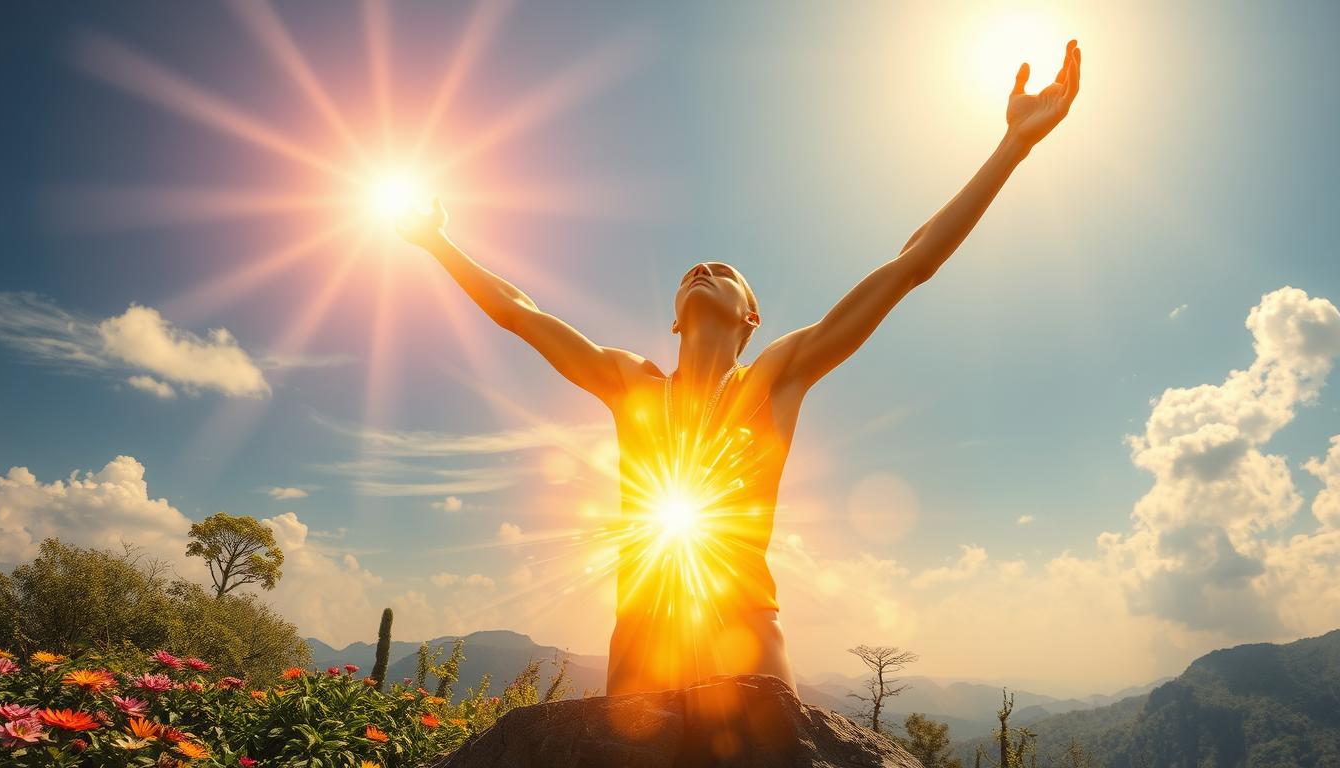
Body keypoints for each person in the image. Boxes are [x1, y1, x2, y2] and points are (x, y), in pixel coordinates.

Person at [398, 40, 1081, 697]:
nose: (703, 269)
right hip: (641, 632)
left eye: (723, 273)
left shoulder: (776, 375)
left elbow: (910, 267)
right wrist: (438, 243)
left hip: (744, 625)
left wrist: (1012, 145)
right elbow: (520, 312)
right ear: (673, 317)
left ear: (751, 318)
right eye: (693, 271)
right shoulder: (629, 382)